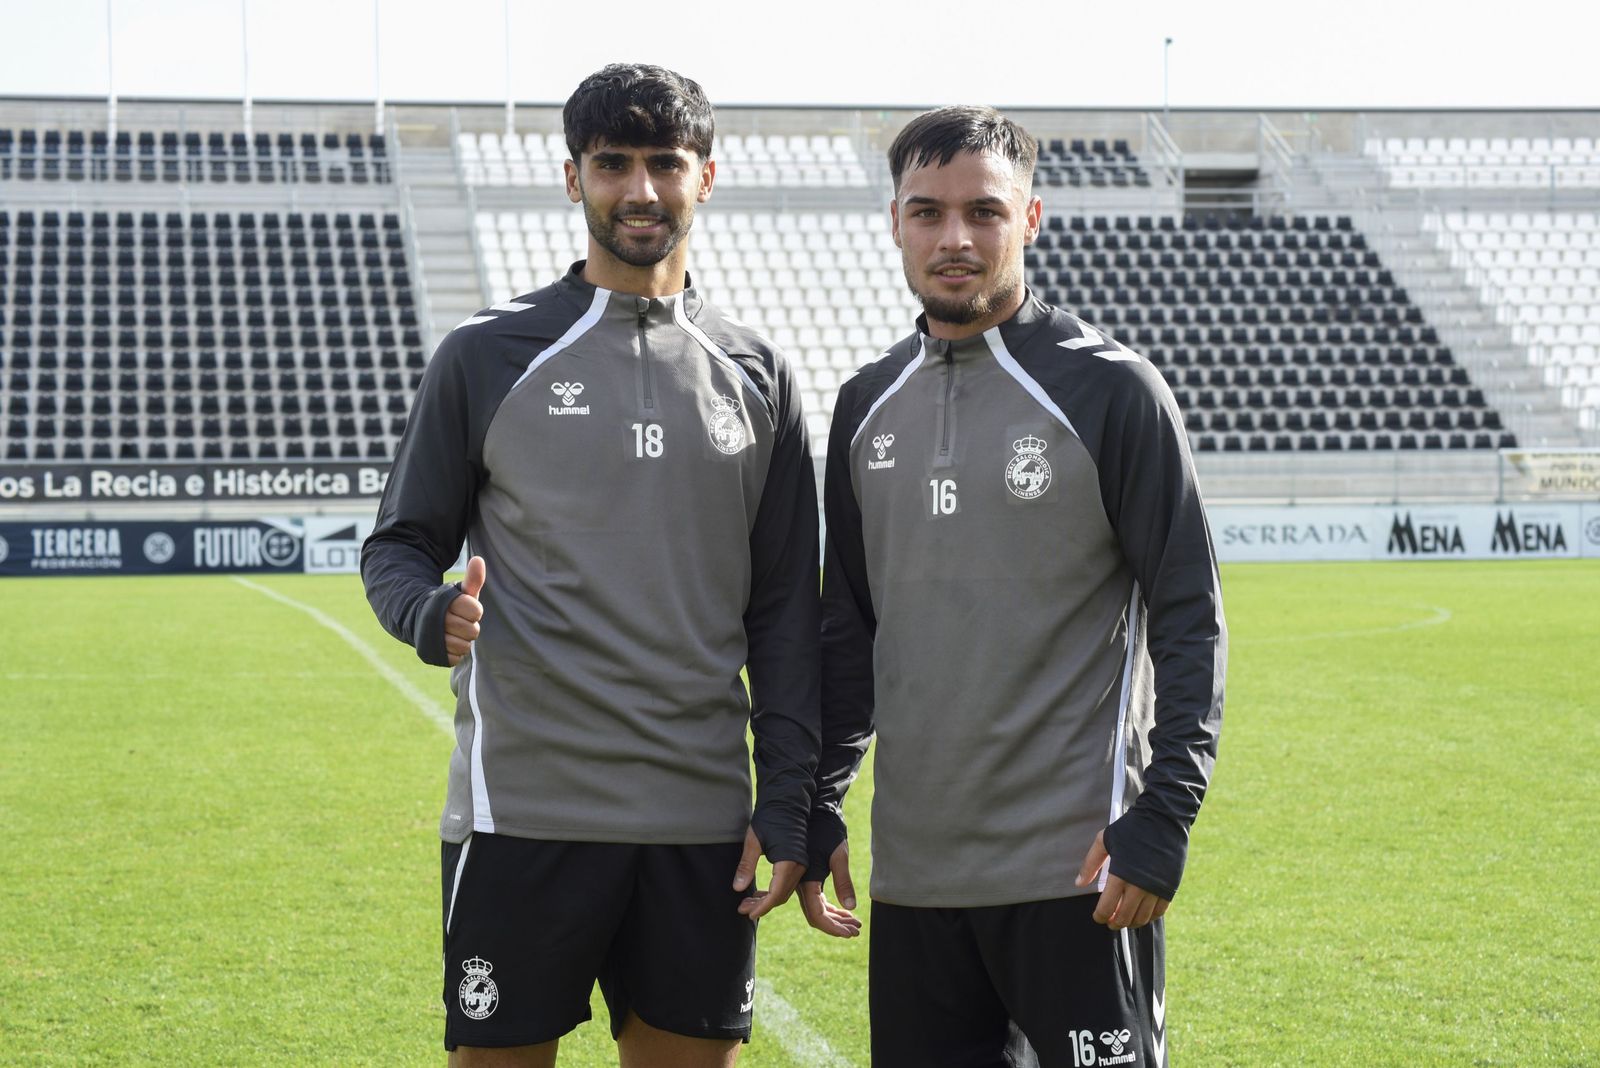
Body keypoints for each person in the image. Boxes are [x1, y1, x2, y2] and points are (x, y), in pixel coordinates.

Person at [361, 63, 820, 1068]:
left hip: (698, 820)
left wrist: (788, 798)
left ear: (707, 177)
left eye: (665, 163)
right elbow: (397, 546)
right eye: (613, 164)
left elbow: (786, 611)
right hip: (523, 811)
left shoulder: (758, 372)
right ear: (573, 179)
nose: (640, 189)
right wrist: (426, 614)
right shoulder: (486, 356)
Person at [799, 106, 1227, 1068]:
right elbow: (851, 628)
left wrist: (1162, 815)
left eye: (984, 212)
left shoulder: (1113, 390)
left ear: (1031, 219)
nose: (955, 239)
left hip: (1079, 874)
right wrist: (822, 796)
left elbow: (1190, 617)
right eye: (927, 212)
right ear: (895, 222)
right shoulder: (865, 404)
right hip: (915, 881)